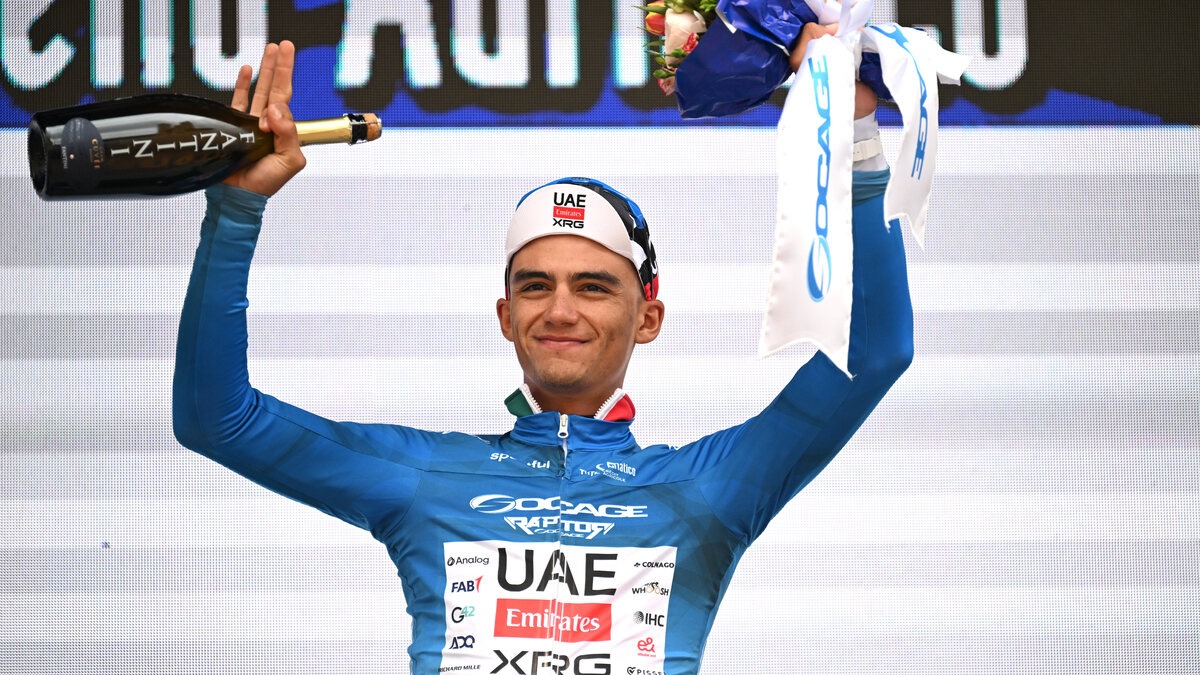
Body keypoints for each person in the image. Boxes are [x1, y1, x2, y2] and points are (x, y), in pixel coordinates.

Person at [173, 27, 912, 675]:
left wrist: (855, 132)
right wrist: (237, 207)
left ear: (647, 317)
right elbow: (217, 420)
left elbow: (877, 351)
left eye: (593, 287)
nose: (560, 310)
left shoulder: (711, 486)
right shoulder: (423, 476)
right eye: (535, 286)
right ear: (506, 316)